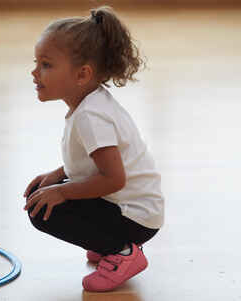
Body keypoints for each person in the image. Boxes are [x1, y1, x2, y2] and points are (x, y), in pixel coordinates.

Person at [23, 6, 164, 292]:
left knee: (43, 211)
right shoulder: (89, 104)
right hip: (129, 208)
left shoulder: (91, 116)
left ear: (82, 74)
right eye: (36, 62)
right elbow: (93, 162)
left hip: (136, 217)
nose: (34, 72)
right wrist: (57, 175)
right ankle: (107, 241)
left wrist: (61, 190)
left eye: (46, 65)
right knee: (45, 195)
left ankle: (122, 252)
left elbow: (114, 179)